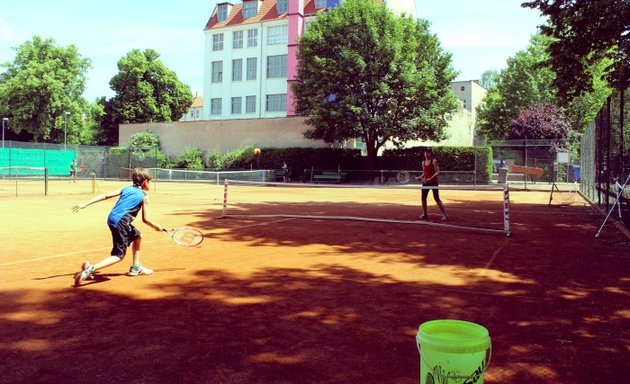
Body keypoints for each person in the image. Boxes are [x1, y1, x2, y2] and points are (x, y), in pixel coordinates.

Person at [71, 168, 164, 287]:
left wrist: (85, 204)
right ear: (145, 181)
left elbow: (105, 196)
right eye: (150, 181)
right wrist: (156, 226)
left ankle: (136, 267)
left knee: (137, 236)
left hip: (112, 219)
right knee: (119, 256)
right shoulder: (144, 196)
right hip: (121, 223)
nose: (150, 184)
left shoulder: (126, 188)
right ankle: (90, 269)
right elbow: (146, 219)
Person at [419, 148, 448, 221]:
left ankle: (445, 215)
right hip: (425, 183)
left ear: (430, 153)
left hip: (433, 183)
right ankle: (425, 214)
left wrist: (430, 178)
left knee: (436, 198)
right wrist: (420, 177)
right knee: (423, 198)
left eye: (428, 152)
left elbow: (437, 172)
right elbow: (424, 173)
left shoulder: (434, 161)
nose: (426, 154)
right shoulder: (423, 162)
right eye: (425, 152)